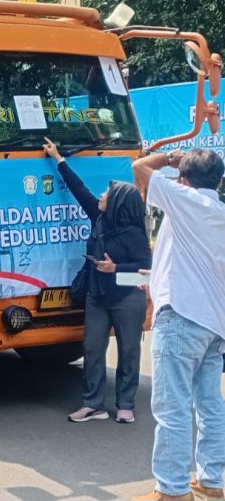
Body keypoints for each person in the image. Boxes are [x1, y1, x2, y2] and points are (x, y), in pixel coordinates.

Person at [132, 149, 225, 501]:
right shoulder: (219, 213)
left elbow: (139, 166)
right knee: (210, 404)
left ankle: (172, 489)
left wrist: (170, 157)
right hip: (214, 324)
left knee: (172, 407)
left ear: (184, 180)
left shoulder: (183, 199)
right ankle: (211, 479)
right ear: (219, 181)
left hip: (181, 317)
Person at [43, 138, 151, 423]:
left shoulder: (135, 234)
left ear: (118, 204)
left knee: (129, 352)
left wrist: (116, 268)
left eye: (107, 193)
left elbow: (145, 271)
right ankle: (93, 404)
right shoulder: (98, 218)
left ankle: (125, 404)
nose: (101, 195)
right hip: (97, 297)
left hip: (127, 298)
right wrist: (58, 158)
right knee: (92, 350)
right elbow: (79, 190)